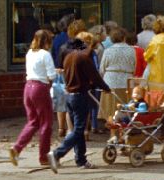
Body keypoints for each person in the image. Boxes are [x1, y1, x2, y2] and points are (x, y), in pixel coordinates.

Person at [48, 32, 111, 172]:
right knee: (78, 130)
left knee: (78, 129)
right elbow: (94, 76)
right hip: (80, 96)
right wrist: (106, 88)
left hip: (69, 95)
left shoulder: (69, 57)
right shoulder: (84, 58)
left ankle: (81, 160)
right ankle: (57, 153)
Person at [10, 29, 55, 168]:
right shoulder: (45, 54)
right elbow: (51, 76)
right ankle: (43, 157)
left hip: (28, 88)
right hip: (40, 89)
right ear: (46, 41)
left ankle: (17, 147)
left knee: (33, 122)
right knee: (46, 123)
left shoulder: (30, 53)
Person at [98, 27, 137, 122]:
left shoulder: (108, 51)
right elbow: (134, 67)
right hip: (126, 82)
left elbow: (102, 69)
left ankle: (113, 131)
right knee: (125, 109)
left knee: (110, 110)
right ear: (124, 37)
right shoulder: (131, 50)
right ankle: (123, 130)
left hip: (110, 82)